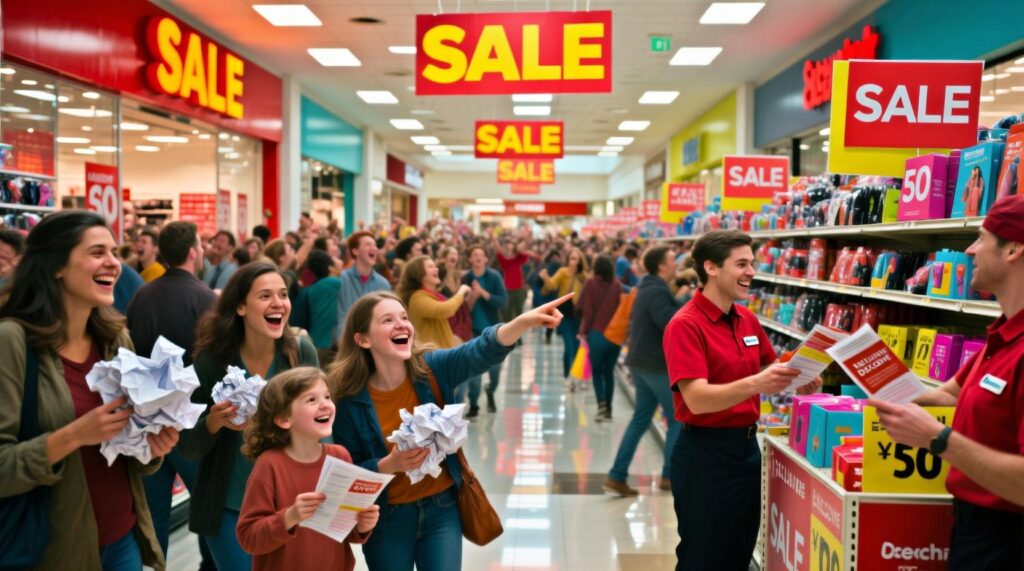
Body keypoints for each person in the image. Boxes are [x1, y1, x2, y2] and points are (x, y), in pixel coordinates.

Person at [329, 291, 572, 571]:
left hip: (441, 509)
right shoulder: (348, 400)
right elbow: (350, 471)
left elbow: (478, 351)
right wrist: (388, 465)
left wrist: (522, 322)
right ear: (363, 339)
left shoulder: (431, 369)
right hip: (388, 519)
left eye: (404, 318)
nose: (401, 325)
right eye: (387, 320)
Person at [0, 210, 178, 570]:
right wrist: (74, 435)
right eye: (97, 252)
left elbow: (123, 451)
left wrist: (151, 445)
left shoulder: (115, 339)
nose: (114, 263)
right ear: (56, 266)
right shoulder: (12, 341)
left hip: (123, 538)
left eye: (114, 252)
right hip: (51, 548)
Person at [872, 195, 1024, 570]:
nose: (969, 251)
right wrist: (881, 389)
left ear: (1014, 249)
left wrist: (938, 440)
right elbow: (948, 394)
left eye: (980, 238)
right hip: (975, 528)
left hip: (1010, 540)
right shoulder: (1002, 335)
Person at [663, 230, 818, 571]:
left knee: (738, 553)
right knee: (702, 556)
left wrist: (800, 377)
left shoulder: (745, 318)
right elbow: (697, 399)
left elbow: (768, 366)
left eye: (752, 263)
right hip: (705, 456)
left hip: (746, 452)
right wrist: (757, 383)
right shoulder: (685, 325)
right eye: (742, 264)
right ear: (711, 268)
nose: (751, 272)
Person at [178, 262, 319, 570]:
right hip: (231, 508)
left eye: (283, 294)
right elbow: (187, 445)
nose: (278, 303)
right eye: (265, 296)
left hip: (290, 504)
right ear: (240, 307)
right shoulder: (213, 362)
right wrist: (213, 423)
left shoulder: (298, 353)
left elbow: (321, 427)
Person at [126, 221, 218, 569]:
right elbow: (215, 360)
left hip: (147, 420)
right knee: (207, 507)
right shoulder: (206, 298)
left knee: (153, 516)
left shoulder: (142, 295)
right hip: (192, 420)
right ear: (194, 250)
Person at [236, 367, 379, 571]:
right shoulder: (269, 465)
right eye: (311, 400)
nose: (325, 405)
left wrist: (363, 525)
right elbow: (248, 538)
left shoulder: (340, 456)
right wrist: (290, 517)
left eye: (327, 397)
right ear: (284, 419)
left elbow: (344, 531)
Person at [604, 246, 684, 497]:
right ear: (661, 266)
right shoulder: (657, 291)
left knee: (641, 419)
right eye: (672, 260)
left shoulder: (647, 287)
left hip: (641, 362)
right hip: (654, 365)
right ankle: (669, 477)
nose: (676, 264)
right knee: (677, 418)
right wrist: (685, 301)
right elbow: (669, 322)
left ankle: (617, 475)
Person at [459, 245, 508, 417]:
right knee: (474, 369)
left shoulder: (494, 277)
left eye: (481, 254)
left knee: (495, 369)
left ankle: (491, 390)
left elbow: (502, 302)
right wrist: (473, 296)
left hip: (493, 329)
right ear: (470, 259)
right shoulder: (465, 278)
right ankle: (473, 404)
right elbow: (464, 309)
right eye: (475, 254)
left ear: (486, 259)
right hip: (472, 331)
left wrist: (483, 293)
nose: (478, 257)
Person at [576, 255, 622, 420]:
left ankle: (601, 404)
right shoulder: (617, 285)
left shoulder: (590, 283)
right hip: (614, 336)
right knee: (609, 372)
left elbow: (585, 309)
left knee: (596, 371)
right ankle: (609, 409)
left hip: (596, 334)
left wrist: (583, 330)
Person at [397, 255, 471, 349]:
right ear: (419, 274)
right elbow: (446, 309)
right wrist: (461, 292)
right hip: (432, 356)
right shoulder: (417, 298)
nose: (436, 269)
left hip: (442, 353)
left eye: (435, 266)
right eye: (430, 266)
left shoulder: (430, 295)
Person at [540, 248, 588, 382]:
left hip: (579, 314)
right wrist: (545, 277)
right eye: (571, 258)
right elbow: (552, 285)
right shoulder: (563, 272)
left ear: (580, 261)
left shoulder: (584, 276)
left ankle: (572, 375)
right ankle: (568, 376)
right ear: (568, 260)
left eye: (576, 259)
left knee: (577, 346)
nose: (573, 261)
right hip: (565, 313)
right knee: (569, 346)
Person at [336, 231, 391, 341]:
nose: (374, 248)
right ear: (355, 251)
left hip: (373, 344)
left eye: (375, 245)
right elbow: (340, 315)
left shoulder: (383, 283)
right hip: (345, 343)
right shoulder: (342, 278)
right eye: (368, 244)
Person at [290, 250, 342, 365]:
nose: (339, 261)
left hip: (313, 341)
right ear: (331, 268)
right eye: (335, 261)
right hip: (325, 344)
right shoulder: (333, 283)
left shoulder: (311, 288)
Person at [438, 246, 473, 345]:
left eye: (456, 254)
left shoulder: (460, 276)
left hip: (460, 317)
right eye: (452, 253)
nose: (454, 256)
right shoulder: (439, 275)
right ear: (444, 258)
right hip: (446, 317)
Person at [494, 239, 532, 325]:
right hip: (507, 291)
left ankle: (517, 336)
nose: (510, 252)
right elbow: (498, 250)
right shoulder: (505, 261)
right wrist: (493, 237)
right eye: (507, 249)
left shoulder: (518, 259)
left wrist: (526, 238)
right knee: (507, 315)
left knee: (519, 314)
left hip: (519, 290)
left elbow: (523, 250)